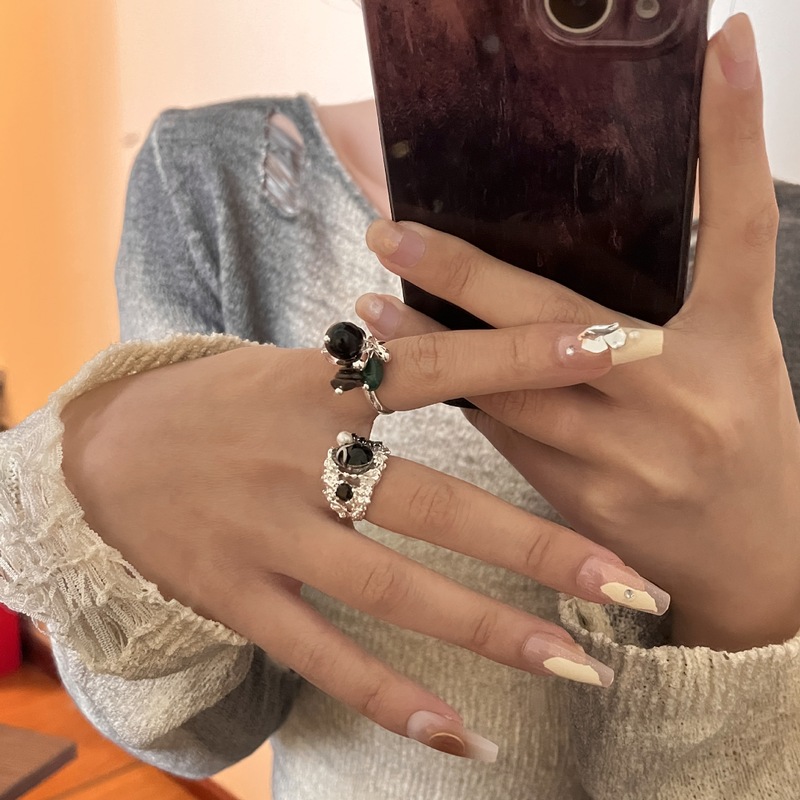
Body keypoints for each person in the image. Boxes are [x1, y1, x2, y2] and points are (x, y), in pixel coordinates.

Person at [2, 10, 800, 798]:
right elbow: (209, 734)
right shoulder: (213, 181)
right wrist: (85, 504)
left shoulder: (773, 267)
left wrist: (752, 605)